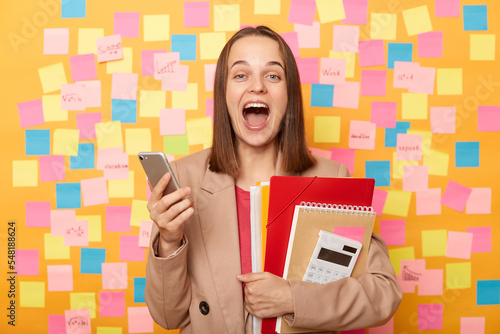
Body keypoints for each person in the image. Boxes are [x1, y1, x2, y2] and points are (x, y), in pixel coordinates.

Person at [145, 26, 402, 334]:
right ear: (223, 94)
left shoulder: (330, 179)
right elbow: (167, 317)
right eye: (241, 75)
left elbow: (384, 293)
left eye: (273, 76)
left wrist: (293, 298)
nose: (257, 87)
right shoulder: (184, 179)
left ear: (289, 95)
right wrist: (169, 241)